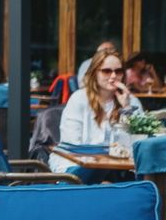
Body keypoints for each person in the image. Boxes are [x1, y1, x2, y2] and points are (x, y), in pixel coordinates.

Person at [49, 47, 142, 183]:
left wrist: (126, 109)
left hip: (119, 170)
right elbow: (73, 145)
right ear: (95, 73)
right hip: (78, 166)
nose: (113, 76)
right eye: (106, 71)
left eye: (118, 71)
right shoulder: (79, 98)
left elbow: (135, 146)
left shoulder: (132, 101)